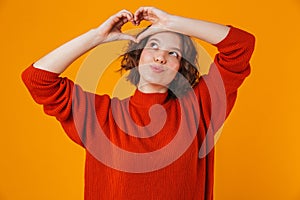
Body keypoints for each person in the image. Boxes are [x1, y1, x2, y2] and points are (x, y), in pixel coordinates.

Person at [21, 6, 255, 200]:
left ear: (181, 68)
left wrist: (173, 22)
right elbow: (37, 79)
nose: (160, 56)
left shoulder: (199, 108)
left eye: (174, 53)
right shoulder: (101, 115)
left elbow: (241, 46)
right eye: (153, 46)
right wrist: (96, 37)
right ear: (138, 55)